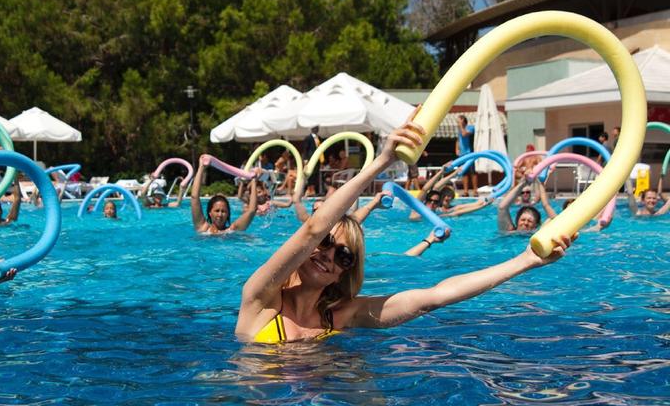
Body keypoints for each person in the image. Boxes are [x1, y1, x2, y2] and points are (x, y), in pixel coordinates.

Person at [236, 110, 573, 343]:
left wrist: (526, 260)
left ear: (345, 273)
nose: (329, 256)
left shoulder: (344, 315)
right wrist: (383, 161)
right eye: (325, 243)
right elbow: (311, 229)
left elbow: (433, 297)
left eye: (344, 256)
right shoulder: (260, 300)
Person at [190, 157, 259, 234]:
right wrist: (201, 167)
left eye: (223, 211)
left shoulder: (232, 230)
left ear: (228, 214)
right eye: (217, 211)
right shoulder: (203, 228)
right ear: (210, 213)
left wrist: (254, 180)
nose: (220, 215)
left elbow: (252, 210)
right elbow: (194, 197)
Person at [456, 115, 478, 197]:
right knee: (464, 172)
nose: (458, 122)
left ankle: (475, 191)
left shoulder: (471, 128)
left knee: (472, 172)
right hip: (462, 155)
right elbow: (458, 140)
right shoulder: (460, 129)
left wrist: (461, 126)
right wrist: (457, 149)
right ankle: (465, 191)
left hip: (470, 153)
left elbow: (464, 134)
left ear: (463, 120)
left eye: (459, 120)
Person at [303, 126, 324, 196]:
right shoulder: (308, 138)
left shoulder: (319, 138)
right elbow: (305, 149)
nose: (316, 129)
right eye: (315, 128)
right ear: (312, 129)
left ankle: (313, 190)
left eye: (317, 128)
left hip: (318, 159)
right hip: (310, 158)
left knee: (316, 174)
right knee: (310, 174)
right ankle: (310, 190)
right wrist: (305, 159)